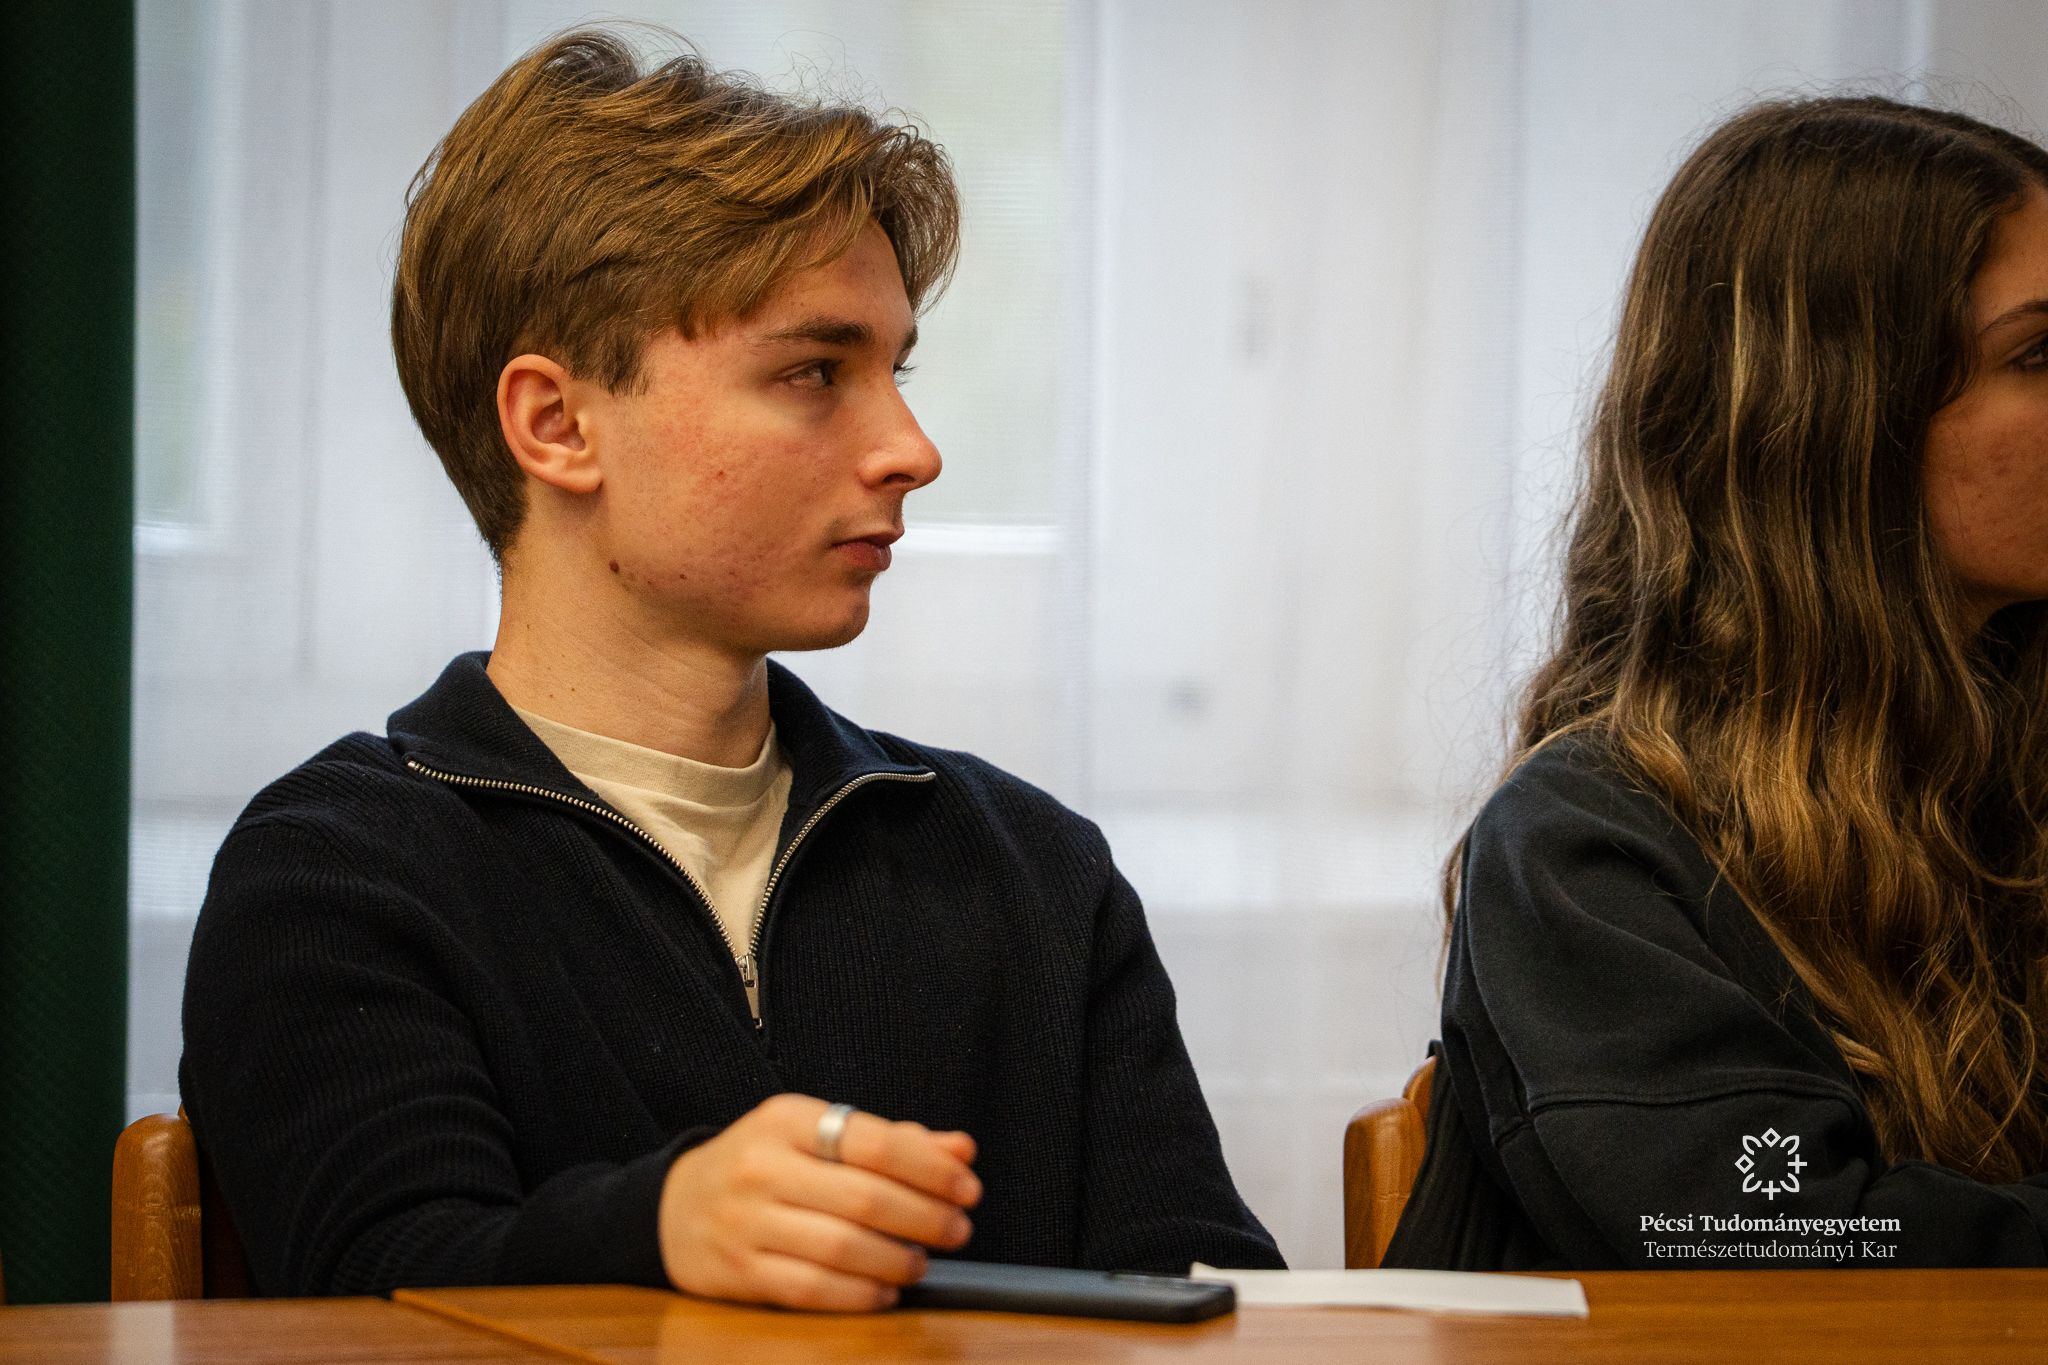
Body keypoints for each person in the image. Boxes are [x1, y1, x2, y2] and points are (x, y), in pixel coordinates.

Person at [179, 26, 1281, 1307]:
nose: (913, 449)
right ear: (556, 424)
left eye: (894, 372)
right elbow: (374, 1294)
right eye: (815, 372)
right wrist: (653, 1231)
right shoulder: (337, 874)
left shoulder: (1031, 869)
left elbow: (1205, 1296)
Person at [1389, 97, 2048, 1270]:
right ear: (1835, 417)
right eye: (2035, 356)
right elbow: (1769, 1241)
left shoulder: (2015, 767)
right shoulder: (1588, 843)